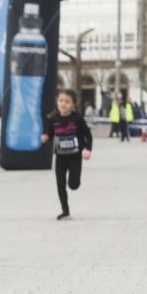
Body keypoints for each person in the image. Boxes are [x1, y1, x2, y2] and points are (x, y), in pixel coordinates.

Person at [41, 89, 93, 220]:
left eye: (67, 102)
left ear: (73, 104)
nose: (63, 104)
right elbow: (50, 134)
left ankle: (74, 183)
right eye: (60, 101)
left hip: (75, 157)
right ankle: (65, 211)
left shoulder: (77, 118)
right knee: (60, 184)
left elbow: (88, 135)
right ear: (57, 102)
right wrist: (46, 138)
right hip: (60, 157)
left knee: (73, 185)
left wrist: (88, 150)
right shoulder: (53, 119)